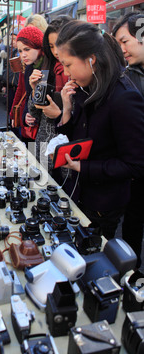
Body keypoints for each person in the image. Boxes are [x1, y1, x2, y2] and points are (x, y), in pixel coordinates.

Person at [54, 19, 144, 240]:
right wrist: (66, 112)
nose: (65, 73)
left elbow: (135, 165)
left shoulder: (124, 97)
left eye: (68, 64)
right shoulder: (87, 87)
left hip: (103, 203)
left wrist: (84, 167)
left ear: (91, 60)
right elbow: (81, 138)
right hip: (80, 193)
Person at [112, 12, 144, 272]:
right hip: (138, 170)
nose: (122, 49)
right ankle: (133, 276)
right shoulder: (128, 76)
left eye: (125, 41)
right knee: (133, 223)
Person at [26, 16, 72, 179]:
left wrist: (59, 115)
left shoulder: (78, 73)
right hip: (44, 146)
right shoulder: (47, 66)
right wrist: (34, 92)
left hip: (67, 152)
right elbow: (36, 113)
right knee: (41, 191)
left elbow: (83, 122)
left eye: (59, 45)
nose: (55, 51)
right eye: (51, 46)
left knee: (64, 198)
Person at [9, 25, 45, 145]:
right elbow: (27, 95)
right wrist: (26, 116)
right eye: (20, 51)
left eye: (27, 49)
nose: (23, 55)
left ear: (38, 46)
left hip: (46, 133)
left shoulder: (47, 67)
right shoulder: (28, 68)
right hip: (33, 129)